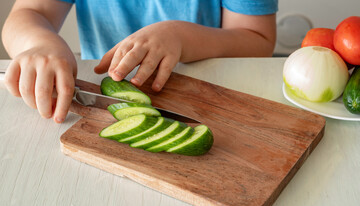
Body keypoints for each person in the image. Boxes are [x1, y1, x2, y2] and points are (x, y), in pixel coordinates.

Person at [2, 0, 278, 123]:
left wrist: (181, 36)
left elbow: (257, 39)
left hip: (212, 96)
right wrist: (40, 44)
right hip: (101, 95)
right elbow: (30, 11)